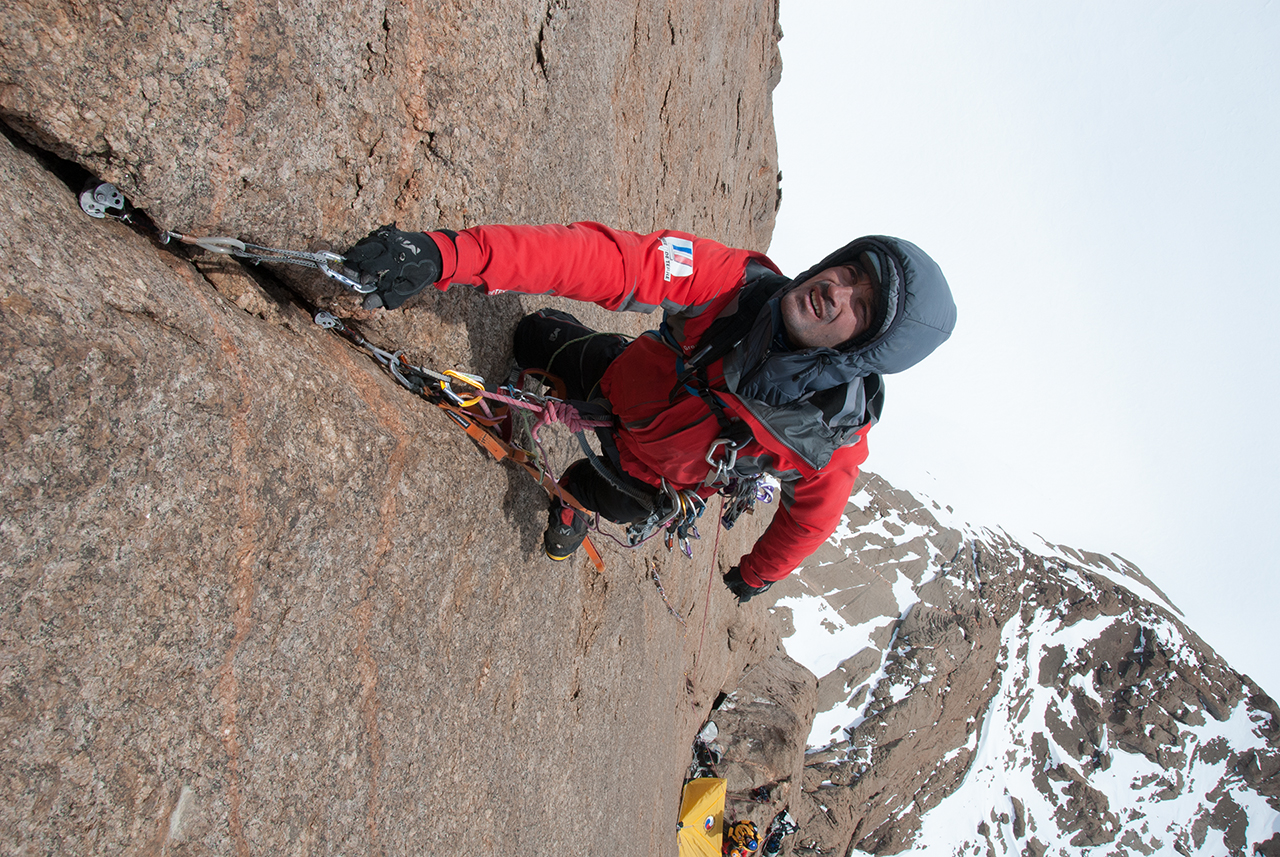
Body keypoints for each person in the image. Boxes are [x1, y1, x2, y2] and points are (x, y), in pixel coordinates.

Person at [341, 221, 956, 602]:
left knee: (581, 491)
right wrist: (449, 257)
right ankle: (552, 397)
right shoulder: (735, 287)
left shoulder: (829, 438)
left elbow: (810, 522)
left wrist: (756, 575)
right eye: (849, 270)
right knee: (532, 335)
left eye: (863, 307)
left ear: (865, 349)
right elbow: (615, 261)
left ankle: (574, 511)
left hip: (650, 480)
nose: (836, 289)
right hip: (618, 381)